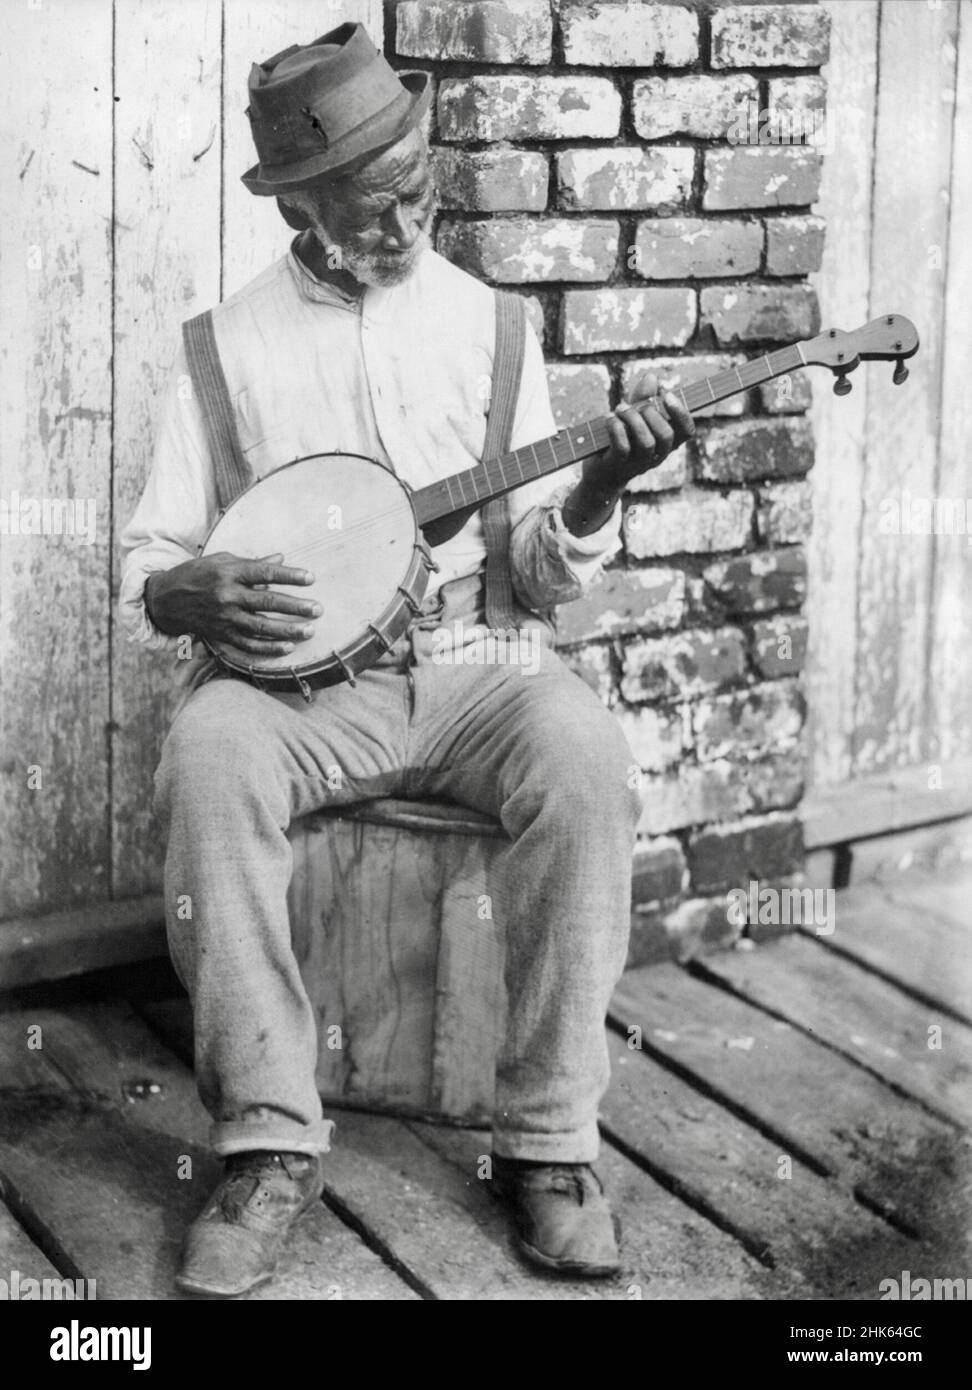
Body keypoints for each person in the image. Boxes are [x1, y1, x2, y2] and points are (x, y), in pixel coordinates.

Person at [119, 22, 693, 1298]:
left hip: (479, 663)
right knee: (206, 759)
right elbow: (146, 564)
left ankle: (547, 1144)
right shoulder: (226, 347)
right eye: (369, 212)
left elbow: (541, 574)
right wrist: (182, 591)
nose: (405, 228)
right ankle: (267, 1142)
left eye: (419, 191)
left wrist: (595, 492)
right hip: (301, 694)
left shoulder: (494, 331)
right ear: (299, 207)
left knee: (587, 759)